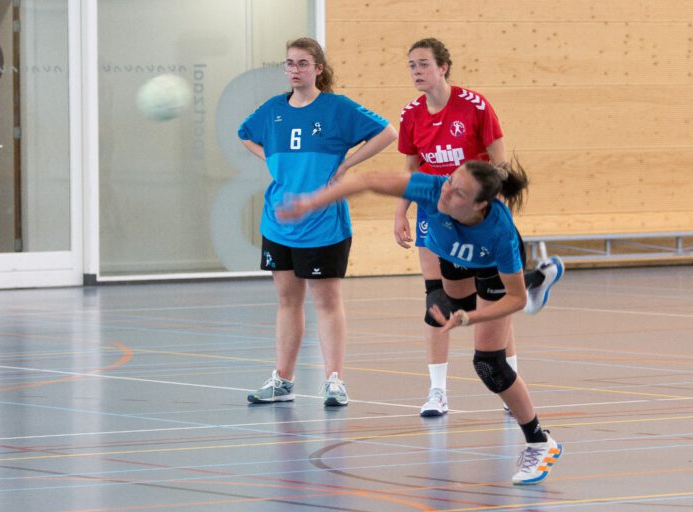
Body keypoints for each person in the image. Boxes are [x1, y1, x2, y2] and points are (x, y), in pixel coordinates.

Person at [278, 159, 563, 484]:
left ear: (480, 205)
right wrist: (310, 203)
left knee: (488, 364)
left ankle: (540, 441)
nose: (447, 192)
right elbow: (368, 179)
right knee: (447, 303)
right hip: (453, 254)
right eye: (449, 182)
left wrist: (470, 318)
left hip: (489, 265)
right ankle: (534, 279)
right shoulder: (433, 189)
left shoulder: (499, 233)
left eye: (459, 193)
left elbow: (516, 301)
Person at [394, 38, 562, 416]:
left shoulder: (474, 106)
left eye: (423, 64)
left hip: (476, 218)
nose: (416, 72)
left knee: (494, 300)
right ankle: (437, 392)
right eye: (411, 66)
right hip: (434, 216)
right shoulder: (411, 115)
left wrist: (492, 216)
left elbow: (500, 164)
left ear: (443, 67)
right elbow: (410, 169)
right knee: (436, 302)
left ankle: (510, 383)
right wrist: (400, 212)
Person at [238, 37, 397, 407]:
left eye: (303, 63)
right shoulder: (273, 109)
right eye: (290, 63)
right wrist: (273, 160)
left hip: (324, 222)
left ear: (318, 69)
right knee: (287, 301)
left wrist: (347, 164)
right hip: (279, 221)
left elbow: (388, 132)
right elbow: (245, 134)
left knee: (326, 301)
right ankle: (282, 380)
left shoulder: (336, 108)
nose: (295, 70)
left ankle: (334, 380)